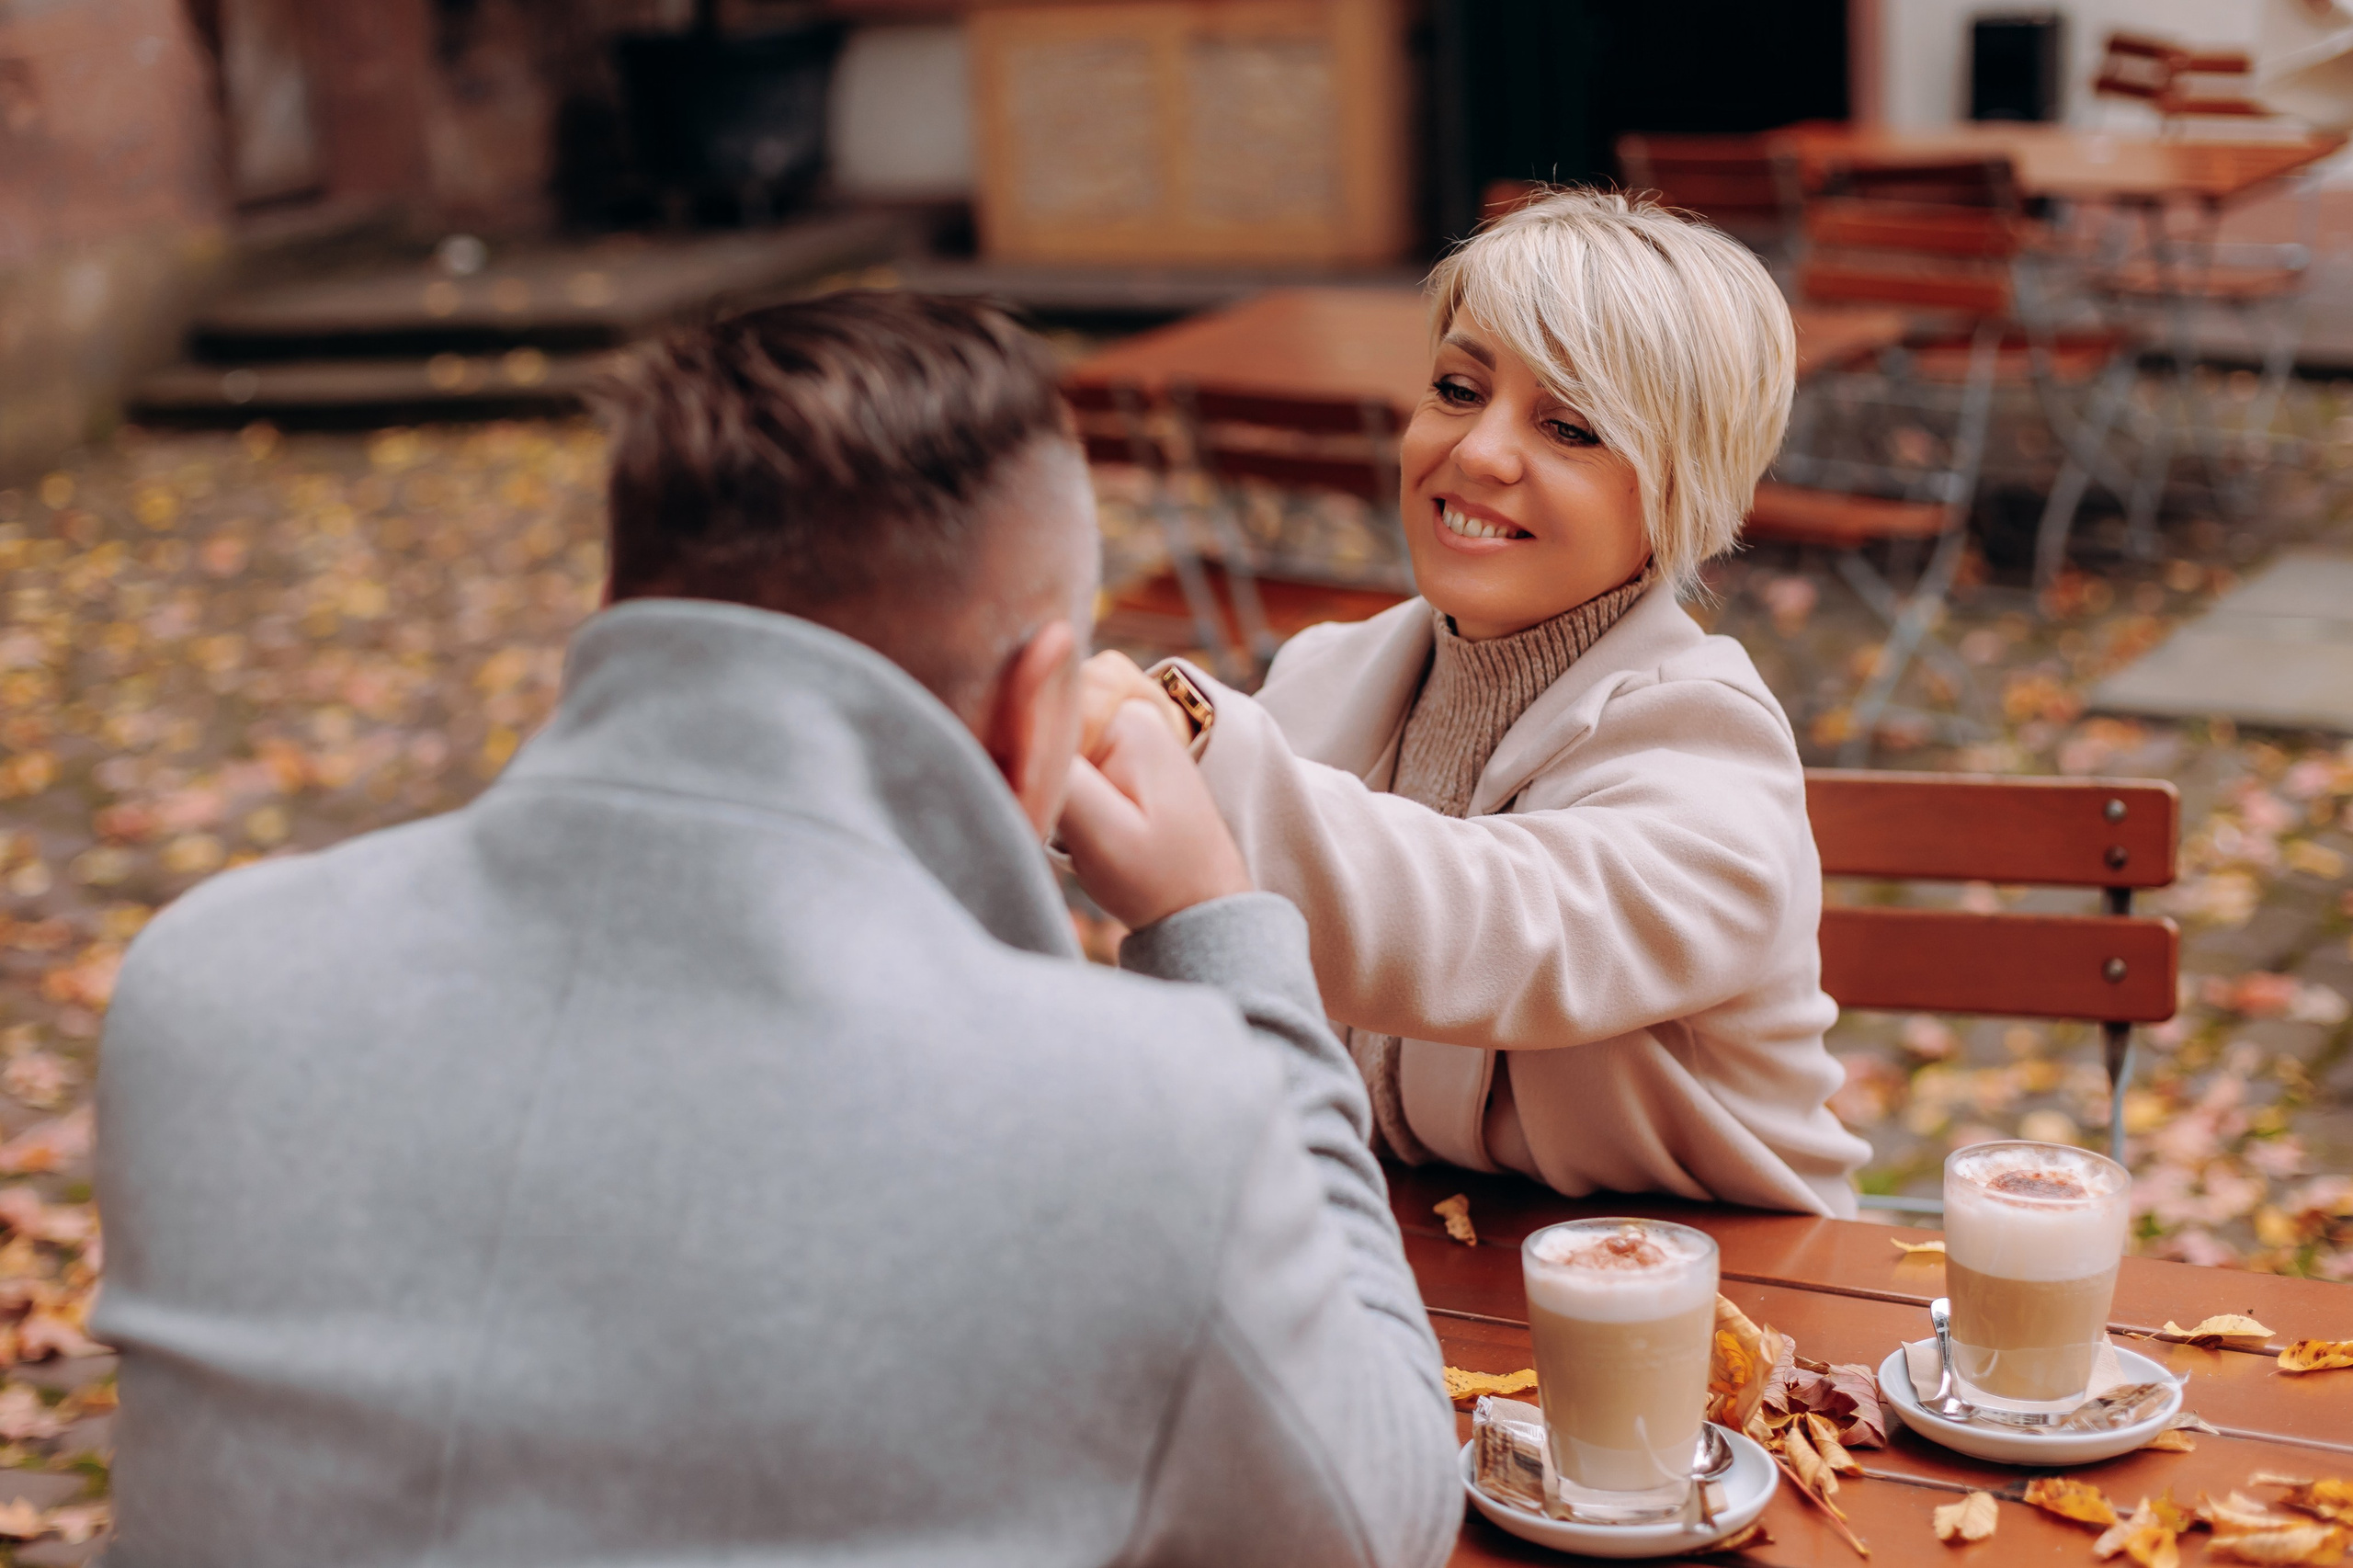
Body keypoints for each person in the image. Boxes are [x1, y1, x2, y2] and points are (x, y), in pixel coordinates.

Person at [93, 292, 1460, 1566]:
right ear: (1034, 699)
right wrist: (1223, 927)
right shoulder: (1154, 1118)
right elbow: (1379, 1508)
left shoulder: (203, 984)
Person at [1088, 190, 1872, 1217]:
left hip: (1735, 1305)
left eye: (1570, 426)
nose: (1478, 452)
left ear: (1680, 490)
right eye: (1458, 388)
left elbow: (1496, 928)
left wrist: (1180, 740)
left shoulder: (1711, 748)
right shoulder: (1328, 676)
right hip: (1431, 1270)